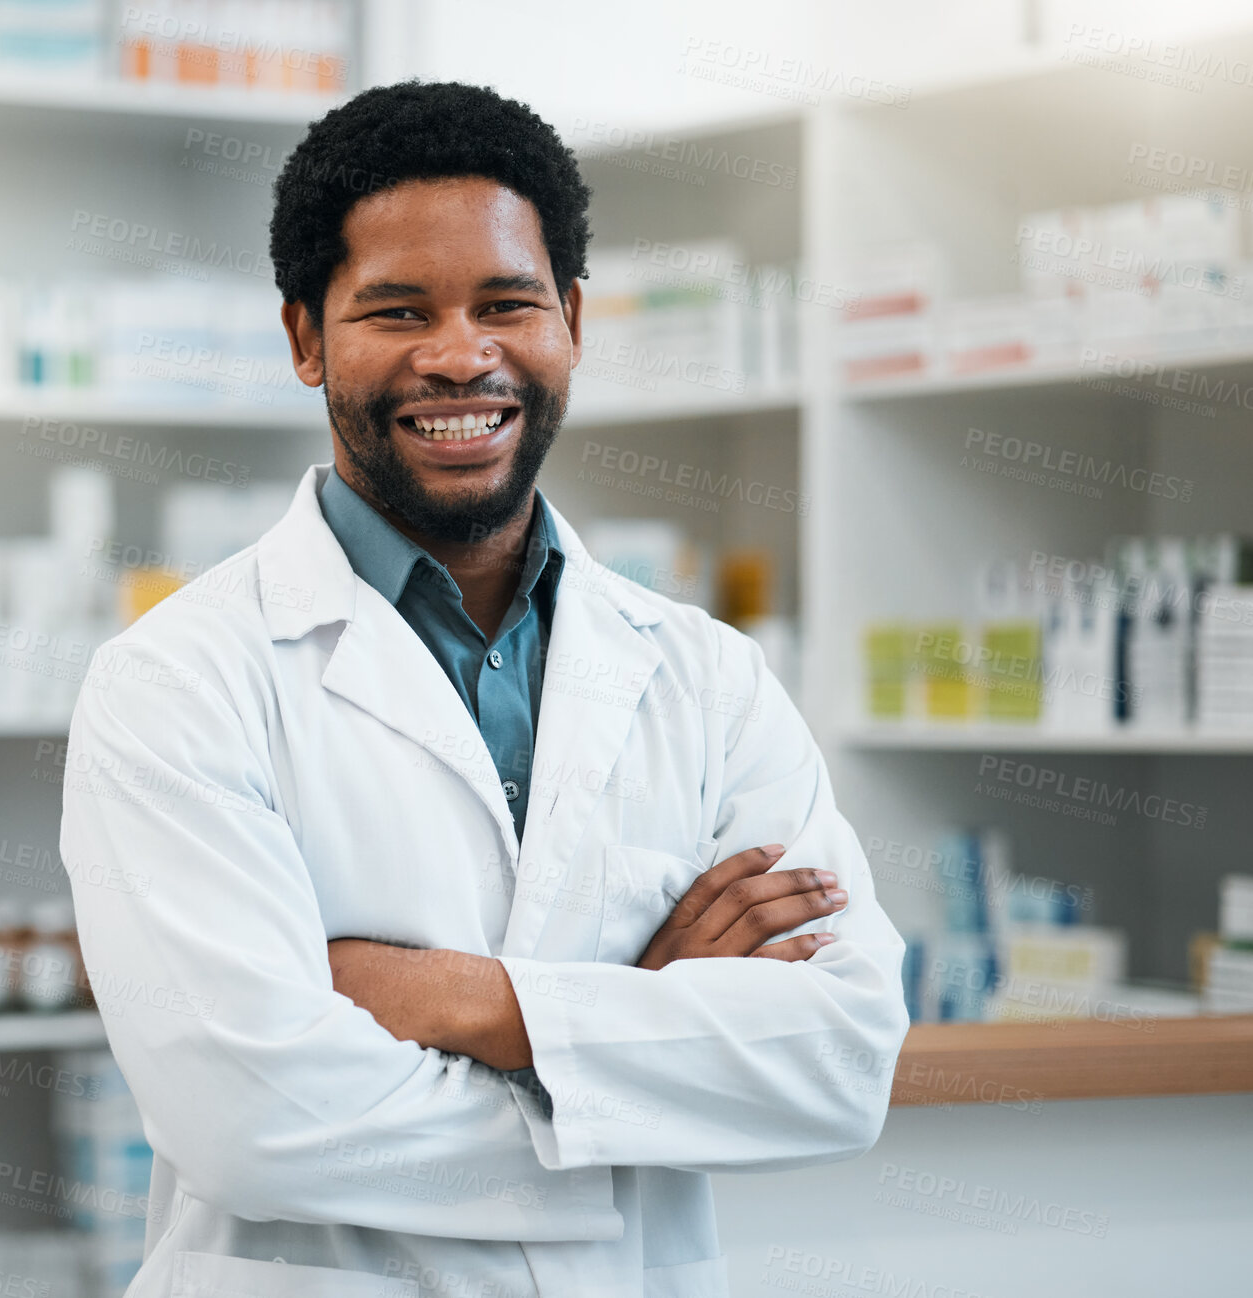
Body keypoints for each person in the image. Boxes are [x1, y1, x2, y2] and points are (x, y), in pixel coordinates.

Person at [59, 78, 909, 1298]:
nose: (461, 355)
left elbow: (839, 1058)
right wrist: (639, 1046)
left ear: (570, 318)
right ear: (305, 337)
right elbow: (251, 1116)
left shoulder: (706, 676)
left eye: (507, 303)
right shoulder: (177, 683)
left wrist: (463, 1001)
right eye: (397, 310)